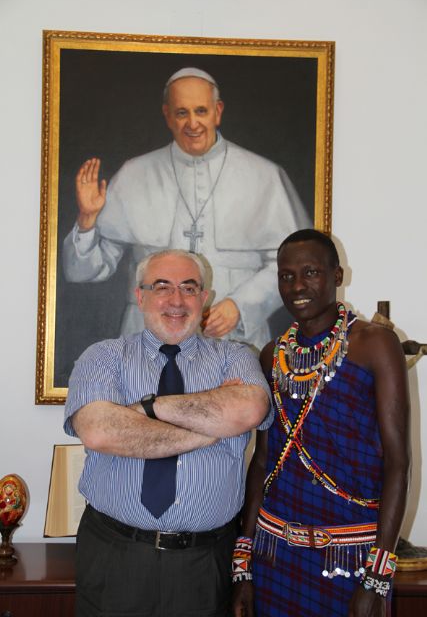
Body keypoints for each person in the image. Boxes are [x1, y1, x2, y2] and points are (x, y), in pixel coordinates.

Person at [64, 248, 273, 617]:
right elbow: (99, 431)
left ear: (204, 299)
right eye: (162, 286)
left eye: (189, 288)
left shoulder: (237, 357)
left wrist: (149, 407)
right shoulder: (104, 356)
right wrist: (211, 429)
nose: (176, 300)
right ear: (140, 295)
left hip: (205, 563)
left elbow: (250, 409)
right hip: (115, 555)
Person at [63, 67, 310, 350]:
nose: (193, 123)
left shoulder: (264, 176)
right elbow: (83, 272)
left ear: (217, 112)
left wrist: (241, 307)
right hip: (149, 344)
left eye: (201, 111)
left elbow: (290, 267)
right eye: (182, 113)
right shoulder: (135, 174)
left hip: (232, 339)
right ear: (167, 115)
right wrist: (87, 220)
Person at [232, 229, 411, 617]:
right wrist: (243, 563)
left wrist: (377, 578)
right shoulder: (272, 355)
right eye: (286, 275)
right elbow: (262, 462)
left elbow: (398, 464)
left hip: (352, 559)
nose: (298, 285)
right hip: (274, 554)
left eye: (311, 272)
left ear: (337, 276)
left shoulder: (375, 344)